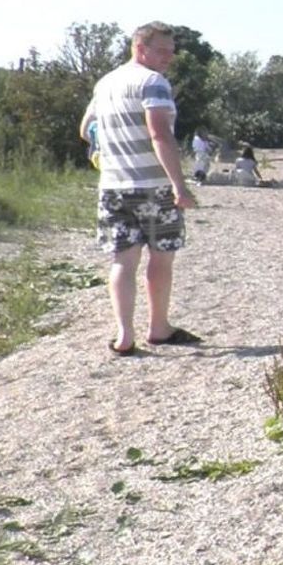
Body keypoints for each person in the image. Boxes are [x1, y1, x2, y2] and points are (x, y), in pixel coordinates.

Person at [80, 22, 199, 355]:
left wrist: (109, 151)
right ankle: (158, 327)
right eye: (162, 51)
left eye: (172, 52)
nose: (169, 58)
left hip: (113, 186)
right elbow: (160, 134)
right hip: (154, 187)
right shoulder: (153, 83)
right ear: (140, 48)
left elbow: (86, 128)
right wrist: (179, 186)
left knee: (123, 261)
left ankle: (124, 335)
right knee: (161, 260)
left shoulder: (106, 83)